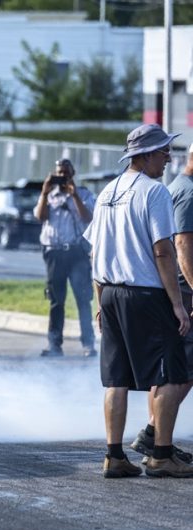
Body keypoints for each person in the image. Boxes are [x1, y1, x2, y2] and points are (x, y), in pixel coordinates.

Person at [84, 123, 193, 478]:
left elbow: (95, 251)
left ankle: (113, 455)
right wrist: (178, 304)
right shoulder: (154, 191)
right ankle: (161, 454)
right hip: (145, 293)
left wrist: (101, 300)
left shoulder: (106, 192)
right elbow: (163, 251)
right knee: (169, 374)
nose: (168, 158)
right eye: (163, 151)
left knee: (116, 379)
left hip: (111, 292)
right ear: (144, 156)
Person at [128, 142, 193, 464]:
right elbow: (180, 244)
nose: (167, 157)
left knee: (171, 369)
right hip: (186, 292)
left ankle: (156, 435)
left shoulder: (177, 187)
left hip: (178, 291)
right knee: (182, 371)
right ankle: (155, 436)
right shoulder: (188, 191)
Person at [34, 158, 96, 357]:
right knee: (56, 300)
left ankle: (88, 344)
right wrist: (45, 192)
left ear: (73, 173)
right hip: (54, 252)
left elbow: (88, 217)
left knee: (83, 299)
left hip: (76, 252)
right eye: (59, 173)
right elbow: (40, 216)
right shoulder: (49, 195)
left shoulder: (84, 194)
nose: (62, 177)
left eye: (66, 173)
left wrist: (74, 195)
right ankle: (54, 345)